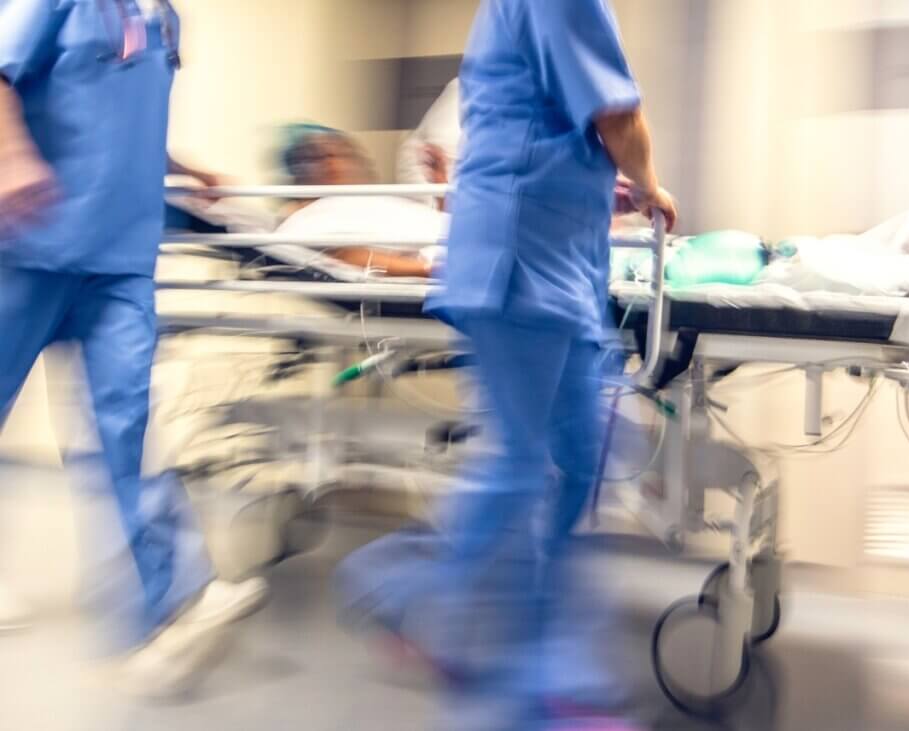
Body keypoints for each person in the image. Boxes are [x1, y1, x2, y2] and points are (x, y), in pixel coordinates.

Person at [338, 1, 677, 729]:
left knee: (583, 459)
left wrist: (599, 181)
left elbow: (541, 120)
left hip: (560, 263)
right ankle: (495, 658)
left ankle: (493, 636)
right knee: (524, 466)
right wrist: (648, 181)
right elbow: (617, 116)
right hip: (519, 259)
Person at [0, 0, 267, 693]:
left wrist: (187, 171)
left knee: (125, 423)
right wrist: (11, 156)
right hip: (27, 245)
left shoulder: (167, 20)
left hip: (120, 258)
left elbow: (126, 122)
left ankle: (173, 603)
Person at [277, 124, 444, 278]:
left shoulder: (373, 202)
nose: (331, 163)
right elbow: (347, 256)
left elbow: (438, 225)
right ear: (299, 176)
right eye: (319, 157)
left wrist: (441, 190)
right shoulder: (309, 217)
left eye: (340, 153)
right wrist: (428, 269)